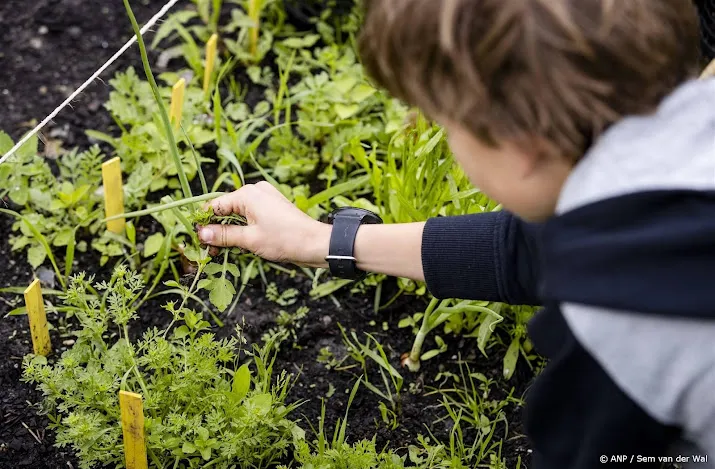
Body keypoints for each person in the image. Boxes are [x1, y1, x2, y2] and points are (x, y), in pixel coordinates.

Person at [196, 0, 715, 467]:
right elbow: (534, 249)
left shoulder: (620, 333)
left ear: (521, 142)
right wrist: (319, 240)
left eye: (447, 122)